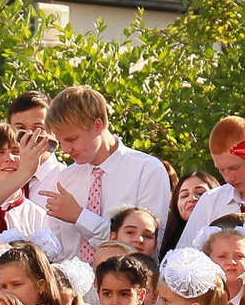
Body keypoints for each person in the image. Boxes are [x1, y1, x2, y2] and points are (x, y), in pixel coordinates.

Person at [31, 85, 173, 264]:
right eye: (61, 141)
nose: (66, 150)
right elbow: (58, 251)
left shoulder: (148, 170)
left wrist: (80, 216)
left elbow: (146, 248)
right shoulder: (66, 177)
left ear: (98, 126)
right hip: (71, 287)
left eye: (72, 139)